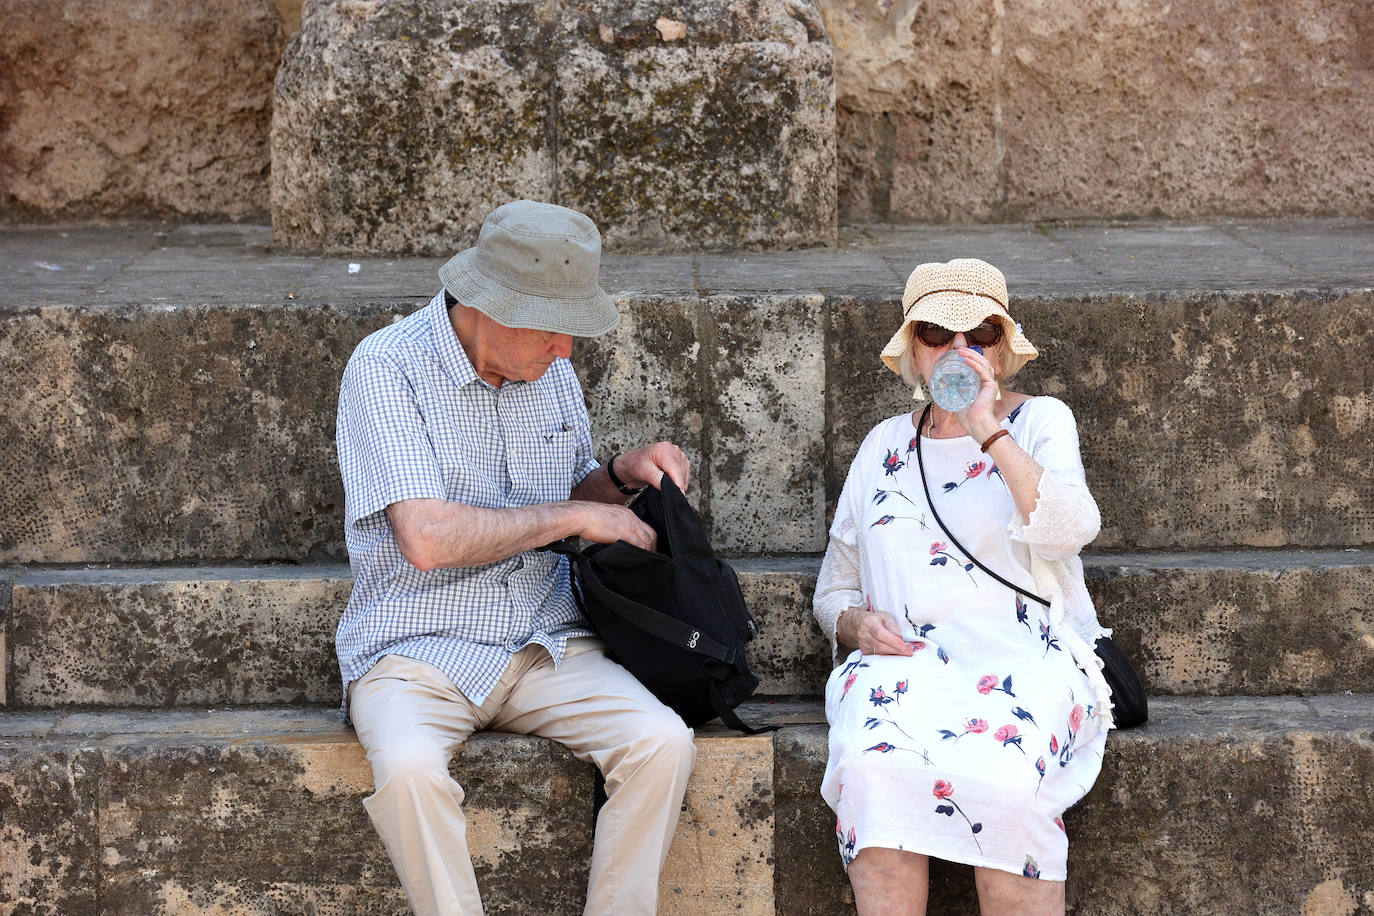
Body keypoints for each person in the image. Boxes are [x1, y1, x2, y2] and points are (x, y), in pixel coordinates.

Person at [334, 199, 696, 916]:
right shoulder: (386, 368)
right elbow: (427, 538)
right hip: (416, 648)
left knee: (662, 742)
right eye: (554, 325)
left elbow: (571, 493)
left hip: (546, 643)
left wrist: (621, 476)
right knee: (408, 773)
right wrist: (575, 514)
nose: (567, 348)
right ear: (487, 306)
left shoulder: (548, 372)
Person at [812, 258, 1114, 915]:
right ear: (913, 352)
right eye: (936, 335)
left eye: (977, 333)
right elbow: (835, 585)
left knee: (1006, 785)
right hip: (907, 667)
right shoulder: (883, 445)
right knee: (871, 770)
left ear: (1001, 349)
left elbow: (1069, 530)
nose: (958, 350)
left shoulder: (1039, 423)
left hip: (1025, 661)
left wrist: (985, 426)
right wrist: (855, 626)